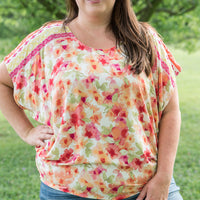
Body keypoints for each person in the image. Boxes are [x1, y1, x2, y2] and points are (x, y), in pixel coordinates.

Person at [0, 0, 183, 199]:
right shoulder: (49, 40)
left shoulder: (145, 40)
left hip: (144, 186)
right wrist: (26, 131)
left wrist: (164, 176)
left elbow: (170, 111)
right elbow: (2, 81)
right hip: (68, 188)